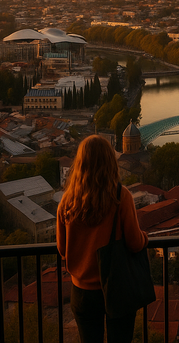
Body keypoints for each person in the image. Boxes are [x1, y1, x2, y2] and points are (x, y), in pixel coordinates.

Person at [57, 135, 149, 343]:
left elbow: (63, 249)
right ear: (110, 161)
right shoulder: (120, 196)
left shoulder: (67, 200)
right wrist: (145, 238)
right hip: (116, 287)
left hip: (82, 292)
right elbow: (135, 244)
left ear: (80, 163)